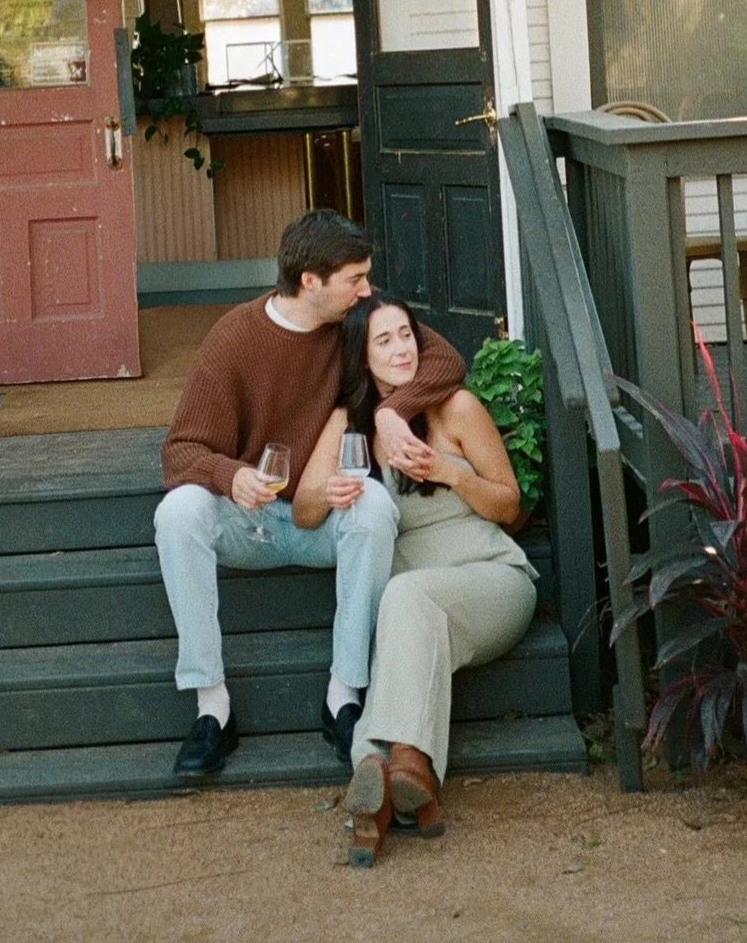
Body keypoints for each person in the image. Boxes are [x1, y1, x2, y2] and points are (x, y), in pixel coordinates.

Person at [154, 211, 467, 780]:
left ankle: (343, 696)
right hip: (248, 522)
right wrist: (230, 476)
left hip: (326, 518)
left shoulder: (353, 321)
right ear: (310, 283)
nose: (367, 289)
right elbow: (179, 452)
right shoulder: (234, 338)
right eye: (356, 278)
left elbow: (443, 357)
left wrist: (393, 409)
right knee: (178, 510)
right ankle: (211, 708)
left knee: (373, 504)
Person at [293, 293, 537, 867]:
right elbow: (303, 511)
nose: (401, 348)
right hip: (412, 607)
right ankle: (395, 773)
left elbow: (509, 505)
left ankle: (387, 770)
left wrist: (448, 473)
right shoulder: (346, 424)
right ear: (361, 357)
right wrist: (326, 494)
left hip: (488, 579)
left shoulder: (454, 408)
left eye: (406, 334)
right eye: (384, 340)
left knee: (404, 596)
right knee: (403, 601)